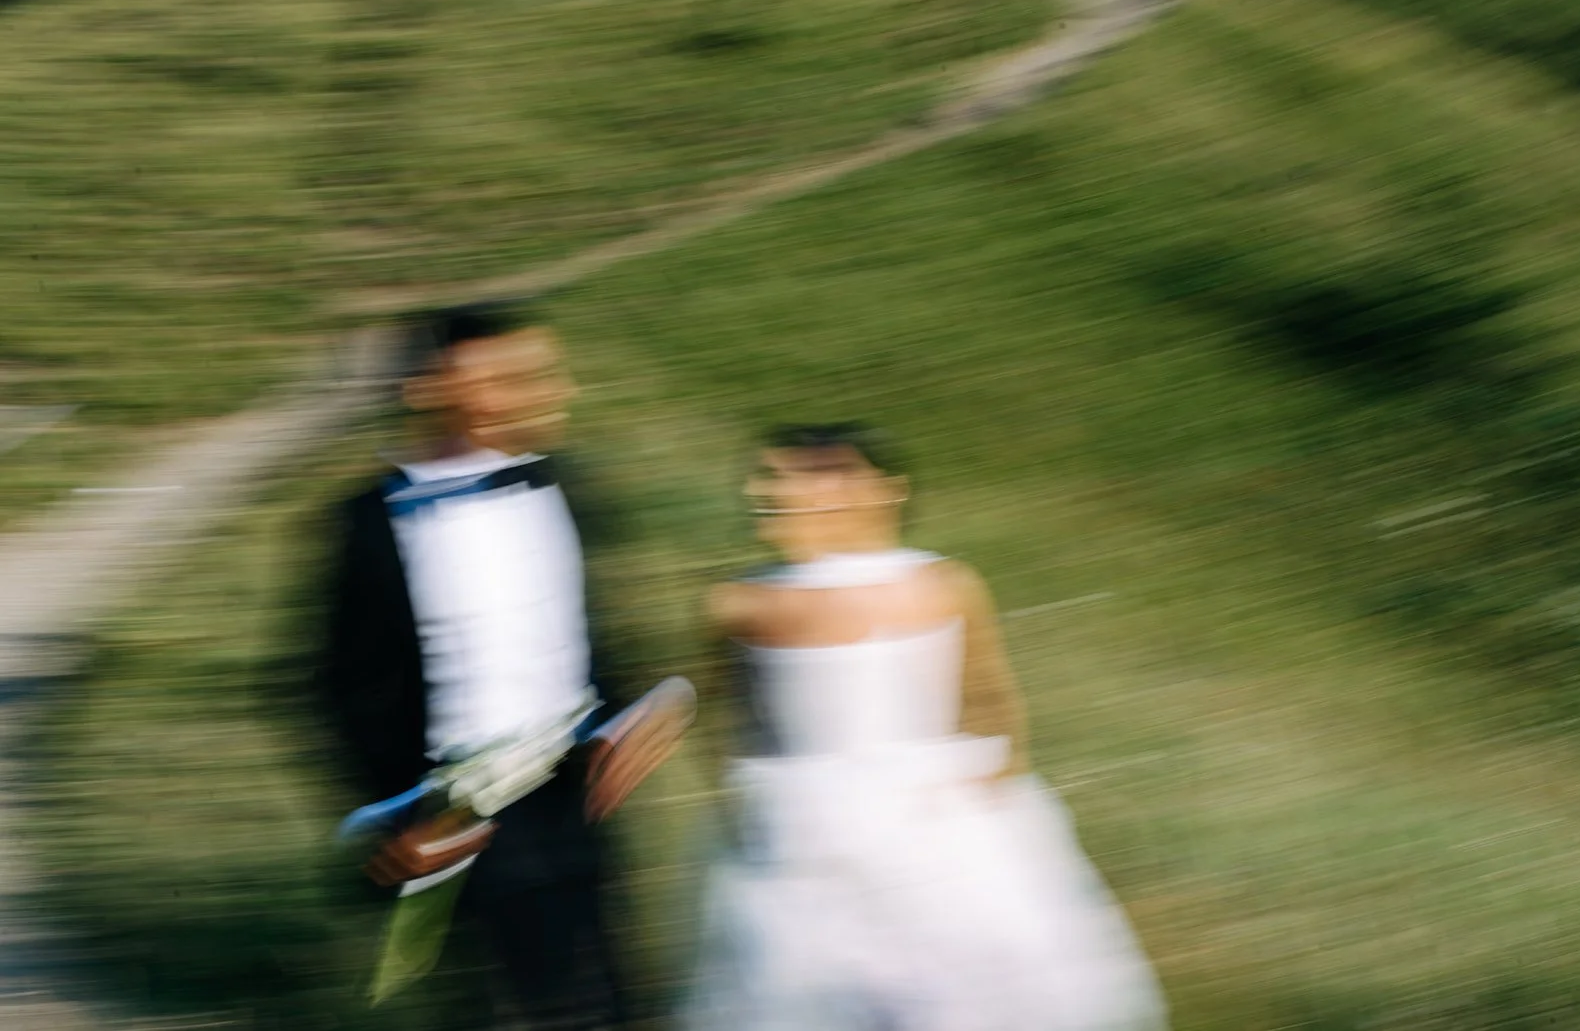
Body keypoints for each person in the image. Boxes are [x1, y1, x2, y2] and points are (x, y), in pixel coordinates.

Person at [682, 424, 1168, 1031]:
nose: (770, 492)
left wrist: (992, 796)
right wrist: (743, 810)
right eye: (767, 478)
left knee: (965, 986)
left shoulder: (940, 585)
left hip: (933, 821)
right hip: (804, 829)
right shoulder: (740, 602)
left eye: (803, 477)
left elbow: (988, 696)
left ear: (876, 491)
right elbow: (720, 715)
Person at [312, 301, 653, 1029]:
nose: (545, 391)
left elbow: (586, 632)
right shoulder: (365, 521)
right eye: (508, 378)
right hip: (455, 818)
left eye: (543, 374)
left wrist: (626, 718)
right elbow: (338, 685)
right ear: (428, 389)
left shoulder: (562, 485)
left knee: (611, 998)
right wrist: (389, 817)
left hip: (574, 804)